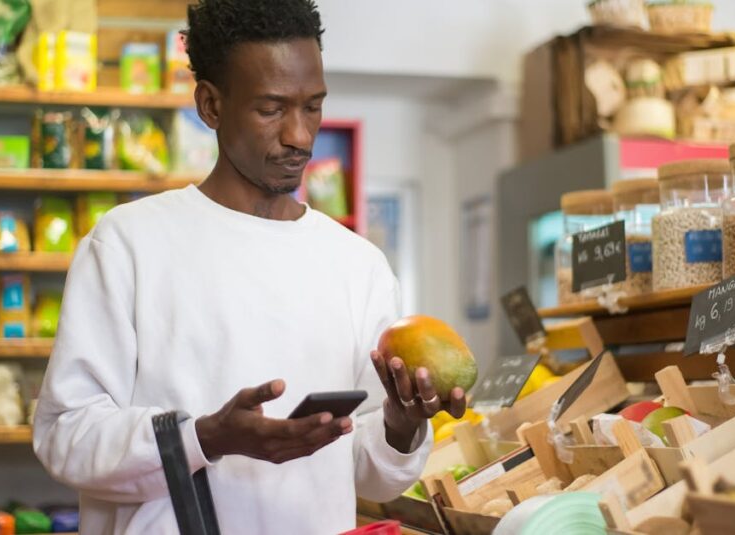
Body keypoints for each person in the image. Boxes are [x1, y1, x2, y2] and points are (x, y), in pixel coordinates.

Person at [31, 0, 467, 533]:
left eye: (313, 107)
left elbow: (369, 477)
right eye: (271, 109)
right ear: (211, 105)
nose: (299, 136)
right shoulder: (128, 244)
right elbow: (66, 435)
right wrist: (206, 437)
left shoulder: (358, 265)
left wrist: (400, 425)